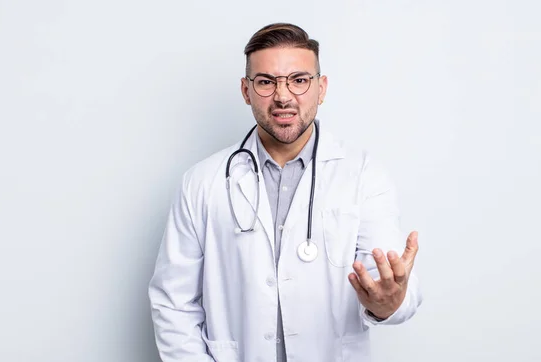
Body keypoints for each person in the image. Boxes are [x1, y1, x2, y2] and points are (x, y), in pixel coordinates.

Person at [148, 23, 423, 362]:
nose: (282, 95)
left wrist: (389, 303)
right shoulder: (202, 182)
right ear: (246, 91)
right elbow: (173, 303)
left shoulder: (363, 175)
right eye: (265, 82)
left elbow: (391, 285)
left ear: (321, 88)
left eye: (299, 79)